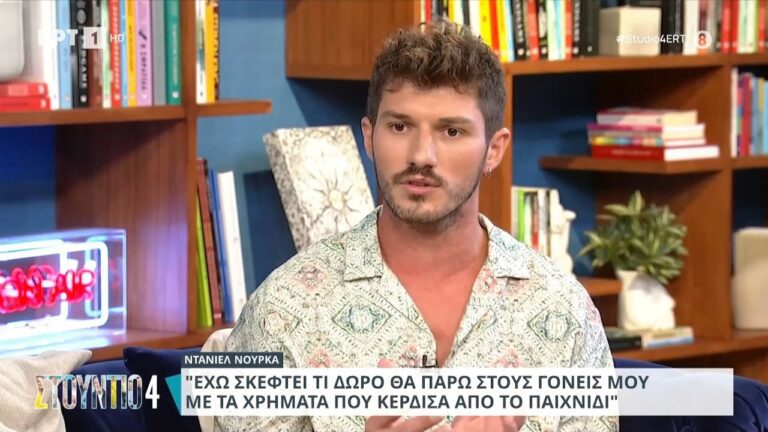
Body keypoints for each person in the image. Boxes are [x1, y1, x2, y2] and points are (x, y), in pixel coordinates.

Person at [217, 21, 617, 432]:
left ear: (494, 150)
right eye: (400, 126)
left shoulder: (563, 309)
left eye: (451, 131)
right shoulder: (281, 308)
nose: (421, 155)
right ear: (369, 137)